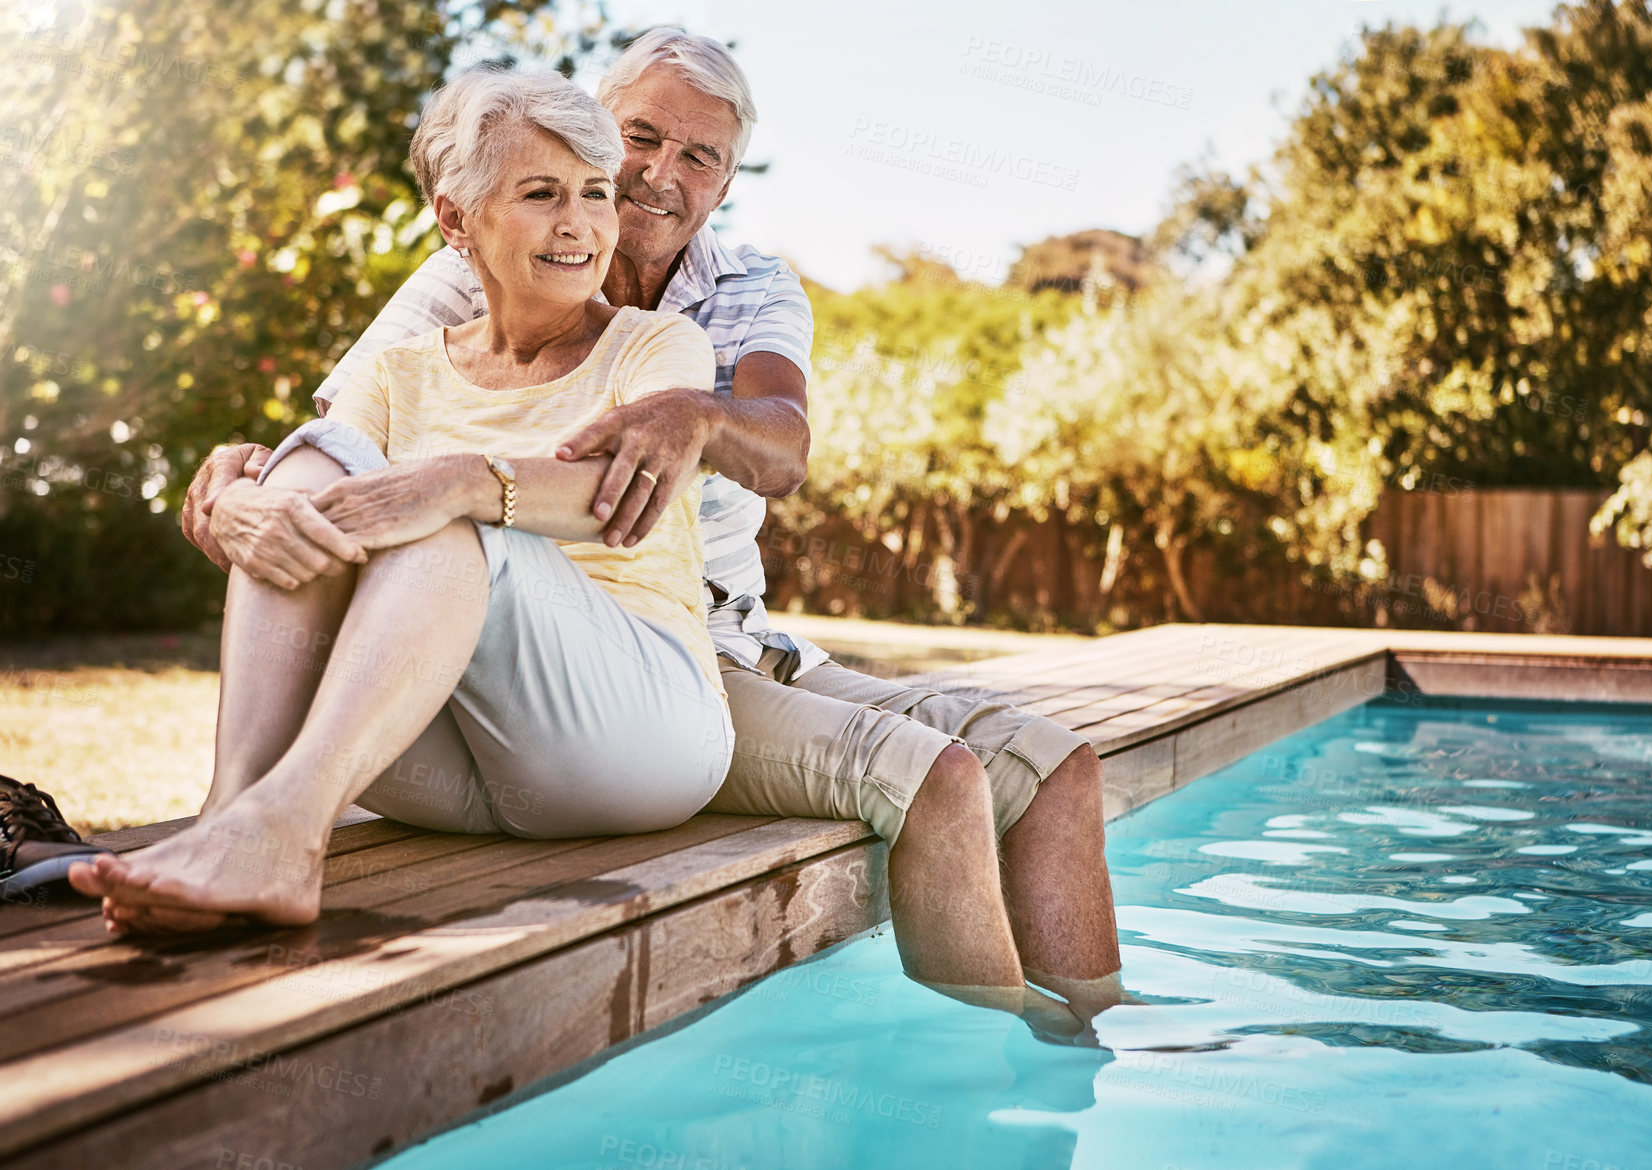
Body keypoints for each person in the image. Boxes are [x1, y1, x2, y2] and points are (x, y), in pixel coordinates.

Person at [181, 30, 1125, 1028]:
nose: (656, 175)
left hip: (725, 635)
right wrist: (250, 477)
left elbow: (783, 448)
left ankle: (1089, 1041)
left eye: (699, 156)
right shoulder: (471, 267)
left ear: (723, 181)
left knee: (1058, 767)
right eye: (638, 138)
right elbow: (339, 441)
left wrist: (699, 415)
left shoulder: (739, 290)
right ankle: (982, 1070)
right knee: (937, 779)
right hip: (571, 654)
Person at [72, 67, 734, 935]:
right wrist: (242, 502)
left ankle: (285, 836)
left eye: (594, 193)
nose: (579, 224)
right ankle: (230, 823)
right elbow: (313, 495)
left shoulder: (655, 345)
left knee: (440, 524)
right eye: (541, 193)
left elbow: (618, 500)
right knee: (313, 467)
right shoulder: (396, 372)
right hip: (435, 758)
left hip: (633, 739)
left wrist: (462, 480)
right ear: (456, 219)